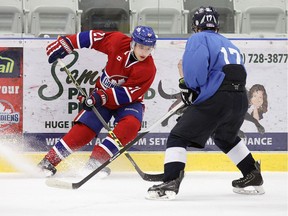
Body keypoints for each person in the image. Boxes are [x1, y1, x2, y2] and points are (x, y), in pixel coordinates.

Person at [146, 6, 264, 200]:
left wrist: (188, 85)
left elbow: (196, 74)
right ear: (216, 25)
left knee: (178, 136)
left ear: (195, 25)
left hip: (218, 97)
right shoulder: (228, 43)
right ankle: (253, 174)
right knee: (225, 138)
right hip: (240, 98)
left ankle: (170, 181)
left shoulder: (198, 39)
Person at [38, 25, 157, 177]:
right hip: (101, 97)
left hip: (129, 102)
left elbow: (128, 93)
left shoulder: (148, 69)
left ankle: (95, 164)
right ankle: (48, 162)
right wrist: (69, 43)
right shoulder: (118, 41)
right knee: (84, 129)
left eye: (149, 48)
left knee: (131, 125)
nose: (144, 52)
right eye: (141, 47)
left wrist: (99, 97)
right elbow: (94, 38)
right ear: (133, 42)